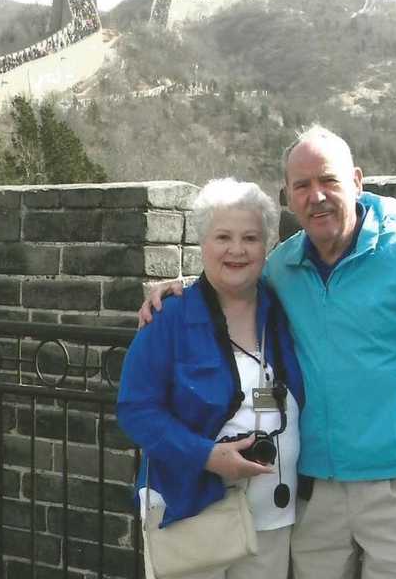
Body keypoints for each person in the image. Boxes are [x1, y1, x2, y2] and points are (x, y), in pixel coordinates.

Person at [139, 125, 396, 579]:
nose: (316, 196)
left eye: (329, 181)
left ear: (358, 182)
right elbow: (234, 279)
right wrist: (181, 290)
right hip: (314, 488)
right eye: (302, 186)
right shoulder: (284, 265)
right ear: (288, 197)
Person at [118, 178, 305, 579]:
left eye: (250, 238)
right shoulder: (169, 318)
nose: (237, 249)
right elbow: (136, 409)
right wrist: (204, 455)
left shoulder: (283, 310)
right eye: (223, 236)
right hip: (193, 511)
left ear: (267, 246)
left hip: (272, 514)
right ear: (203, 242)